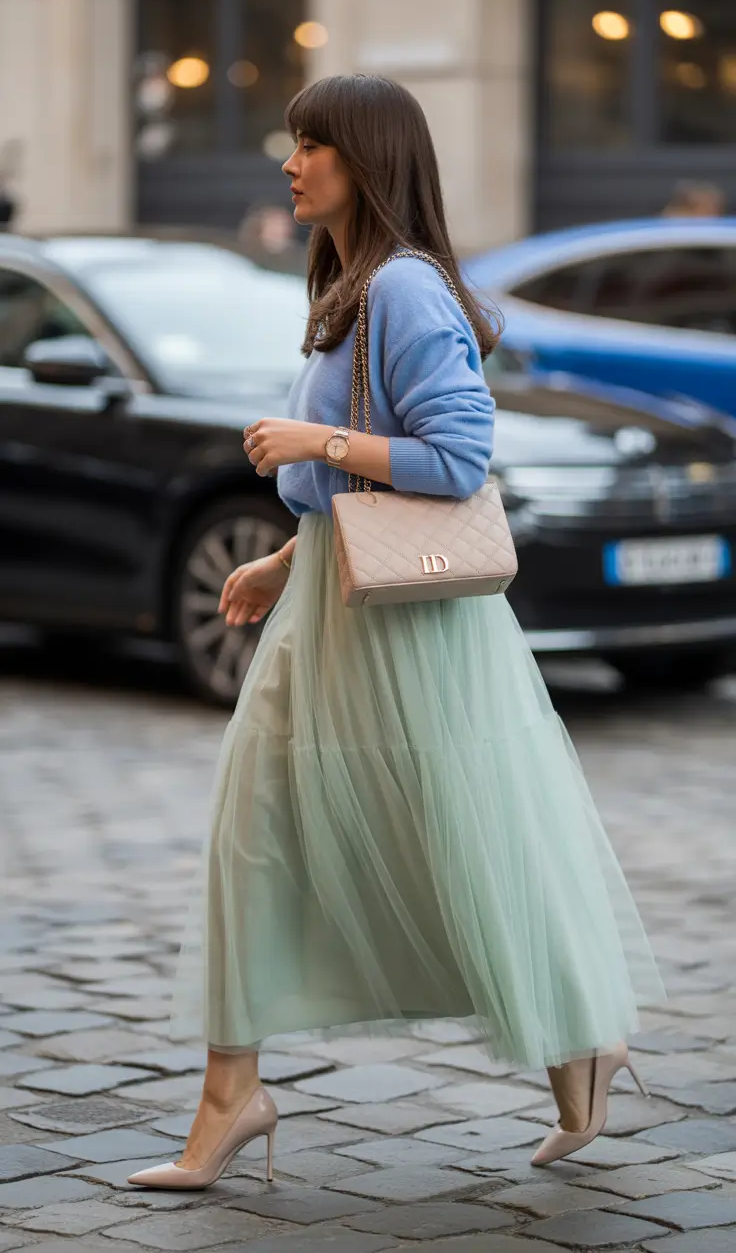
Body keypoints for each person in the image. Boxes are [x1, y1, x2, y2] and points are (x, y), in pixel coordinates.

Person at [128, 74, 663, 1191]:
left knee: (464, 841)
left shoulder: (405, 289)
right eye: (292, 142)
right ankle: (230, 1094)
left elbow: (458, 460)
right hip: (327, 613)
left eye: (312, 144)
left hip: (409, 639)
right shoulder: (350, 286)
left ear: (366, 160)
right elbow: (364, 486)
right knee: (254, 837)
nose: (291, 162)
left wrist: (312, 444)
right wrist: (284, 558)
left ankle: (581, 1035)